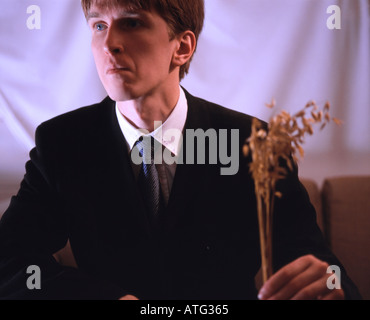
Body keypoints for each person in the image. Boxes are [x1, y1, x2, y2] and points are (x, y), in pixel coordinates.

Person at [0, 0, 361, 300]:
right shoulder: (63, 143)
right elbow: (10, 262)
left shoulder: (253, 144)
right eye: (98, 26)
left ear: (182, 47)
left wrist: (330, 286)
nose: (109, 43)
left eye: (131, 23)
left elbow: (324, 270)